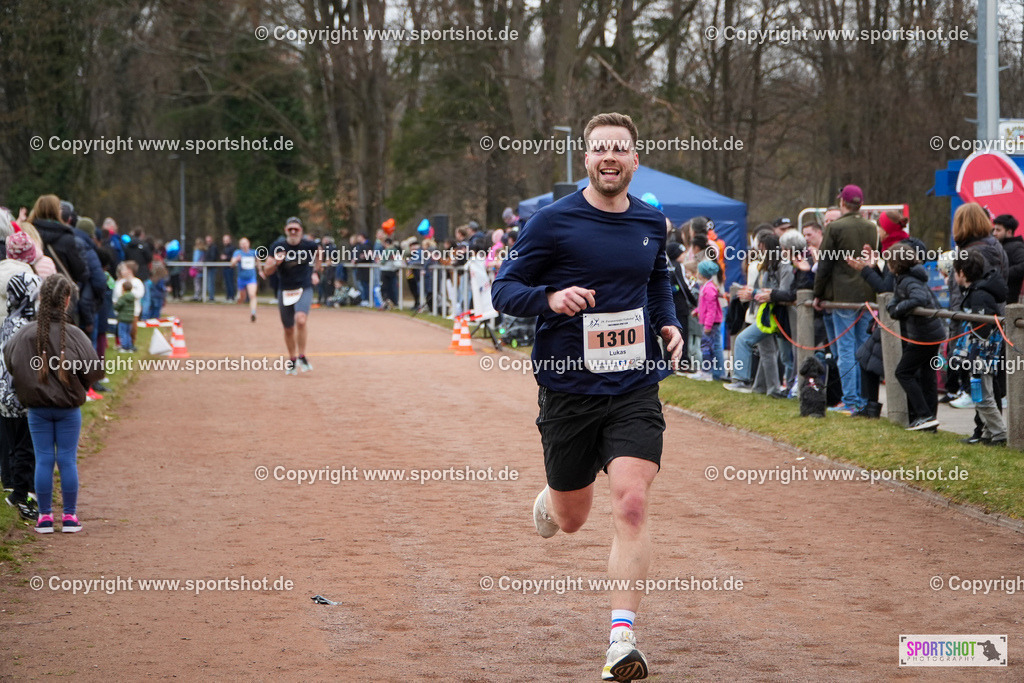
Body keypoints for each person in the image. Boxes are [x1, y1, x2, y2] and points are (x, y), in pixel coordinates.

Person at [491, 112, 683, 683]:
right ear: (586, 158)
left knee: (631, 501)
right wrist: (550, 300)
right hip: (569, 388)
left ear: (634, 159)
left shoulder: (652, 222)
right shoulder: (551, 223)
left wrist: (669, 324)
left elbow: (656, 281)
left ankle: (621, 640)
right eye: (599, 148)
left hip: (633, 384)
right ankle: (550, 500)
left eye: (619, 149)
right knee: (572, 520)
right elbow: (505, 289)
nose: (609, 157)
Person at [3, 274, 104, 533]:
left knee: (44, 459)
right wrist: (77, 381)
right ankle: (69, 517)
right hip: (69, 408)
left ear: (41, 299)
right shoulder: (76, 335)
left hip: (37, 409)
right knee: (68, 460)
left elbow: (10, 361)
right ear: (68, 300)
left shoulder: (25, 334)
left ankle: (45, 517)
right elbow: (95, 371)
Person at [812, 185, 878, 415]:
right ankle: (862, 399)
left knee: (846, 350)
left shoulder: (836, 227)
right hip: (867, 294)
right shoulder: (872, 227)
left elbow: (825, 264)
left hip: (842, 297)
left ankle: (851, 400)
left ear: (843, 204)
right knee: (861, 348)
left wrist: (817, 293)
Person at [885, 244, 946, 431]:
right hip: (930, 333)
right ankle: (930, 421)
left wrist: (899, 308)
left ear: (895, 263)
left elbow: (918, 299)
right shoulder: (904, 279)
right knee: (928, 377)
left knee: (903, 372)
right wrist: (894, 308)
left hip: (924, 335)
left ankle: (924, 414)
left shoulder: (909, 281)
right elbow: (895, 300)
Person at [724, 231, 793, 396]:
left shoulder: (782, 265)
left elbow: (783, 291)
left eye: (761, 248)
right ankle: (769, 388)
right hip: (766, 314)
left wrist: (754, 293)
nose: (758, 251)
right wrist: (755, 292)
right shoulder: (768, 265)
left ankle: (742, 379)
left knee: (743, 340)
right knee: (768, 353)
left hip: (773, 316)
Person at [953, 250, 1007, 446]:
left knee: (984, 396)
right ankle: (986, 432)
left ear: (962, 273)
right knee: (980, 394)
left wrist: (972, 356)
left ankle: (1000, 433)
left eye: (955, 272)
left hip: (982, 355)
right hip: (978, 354)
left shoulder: (979, 296)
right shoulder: (973, 292)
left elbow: (982, 329)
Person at [0, 273, 41, 521]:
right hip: (19, 394)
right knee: (27, 447)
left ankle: (14, 488)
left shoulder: (7, 321)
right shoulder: (26, 327)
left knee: (14, 445)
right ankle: (23, 495)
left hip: (3, 393)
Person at [262, 217, 321, 375]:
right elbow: (266, 270)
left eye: (296, 229)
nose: (293, 232)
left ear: (301, 231)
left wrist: (315, 272)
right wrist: (276, 262)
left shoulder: (309, 245)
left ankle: (302, 355)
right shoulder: (278, 246)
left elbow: (319, 255)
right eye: (290, 229)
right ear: (286, 230)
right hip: (285, 290)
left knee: (301, 320)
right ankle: (292, 359)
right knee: (288, 328)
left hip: (304, 288)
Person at [692, 259, 725, 382]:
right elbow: (704, 305)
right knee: (708, 346)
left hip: (710, 323)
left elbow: (712, 309)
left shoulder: (709, 288)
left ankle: (707, 372)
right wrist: (697, 311)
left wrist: (708, 325)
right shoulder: (706, 287)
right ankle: (714, 373)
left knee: (707, 347)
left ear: (702, 274)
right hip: (707, 322)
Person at [992, 214, 1024, 304]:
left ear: (1009, 232)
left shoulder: (1017, 246)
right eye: (994, 229)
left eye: (998, 230)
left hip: (1007, 300)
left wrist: (1002, 273)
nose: (994, 233)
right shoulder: (998, 246)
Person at [231, 237, 259, 321]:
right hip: (241, 279)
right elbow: (231, 264)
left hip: (251, 278)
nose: (244, 245)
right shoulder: (237, 253)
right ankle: (238, 301)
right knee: (242, 298)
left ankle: (253, 313)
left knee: (252, 295)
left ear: (249, 243)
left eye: (245, 243)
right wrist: (236, 260)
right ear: (240, 245)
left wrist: (260, 269)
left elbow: (259, 261)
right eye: (242, 243)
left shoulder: (254, 252)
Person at [113, 281, 137, 352]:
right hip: (130, 318)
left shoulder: (123, 297)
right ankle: (129, 346)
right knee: (127, 333)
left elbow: (117, 306)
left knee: (122, 333)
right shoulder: (132, 297)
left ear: (123, 288)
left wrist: (114, 305)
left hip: (123, 318)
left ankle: (124, 347)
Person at [219, 234, 236, 302]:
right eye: (224, 240)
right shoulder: (224, 248)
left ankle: (232, 296)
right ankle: (228, 296)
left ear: (229, 240)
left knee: (230, 282)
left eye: (226, 240)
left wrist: (226, 257)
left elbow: (233, 257)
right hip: (225, 267)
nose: (225, 242)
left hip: (230, 268)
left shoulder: (232, 248)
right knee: (226, 283)